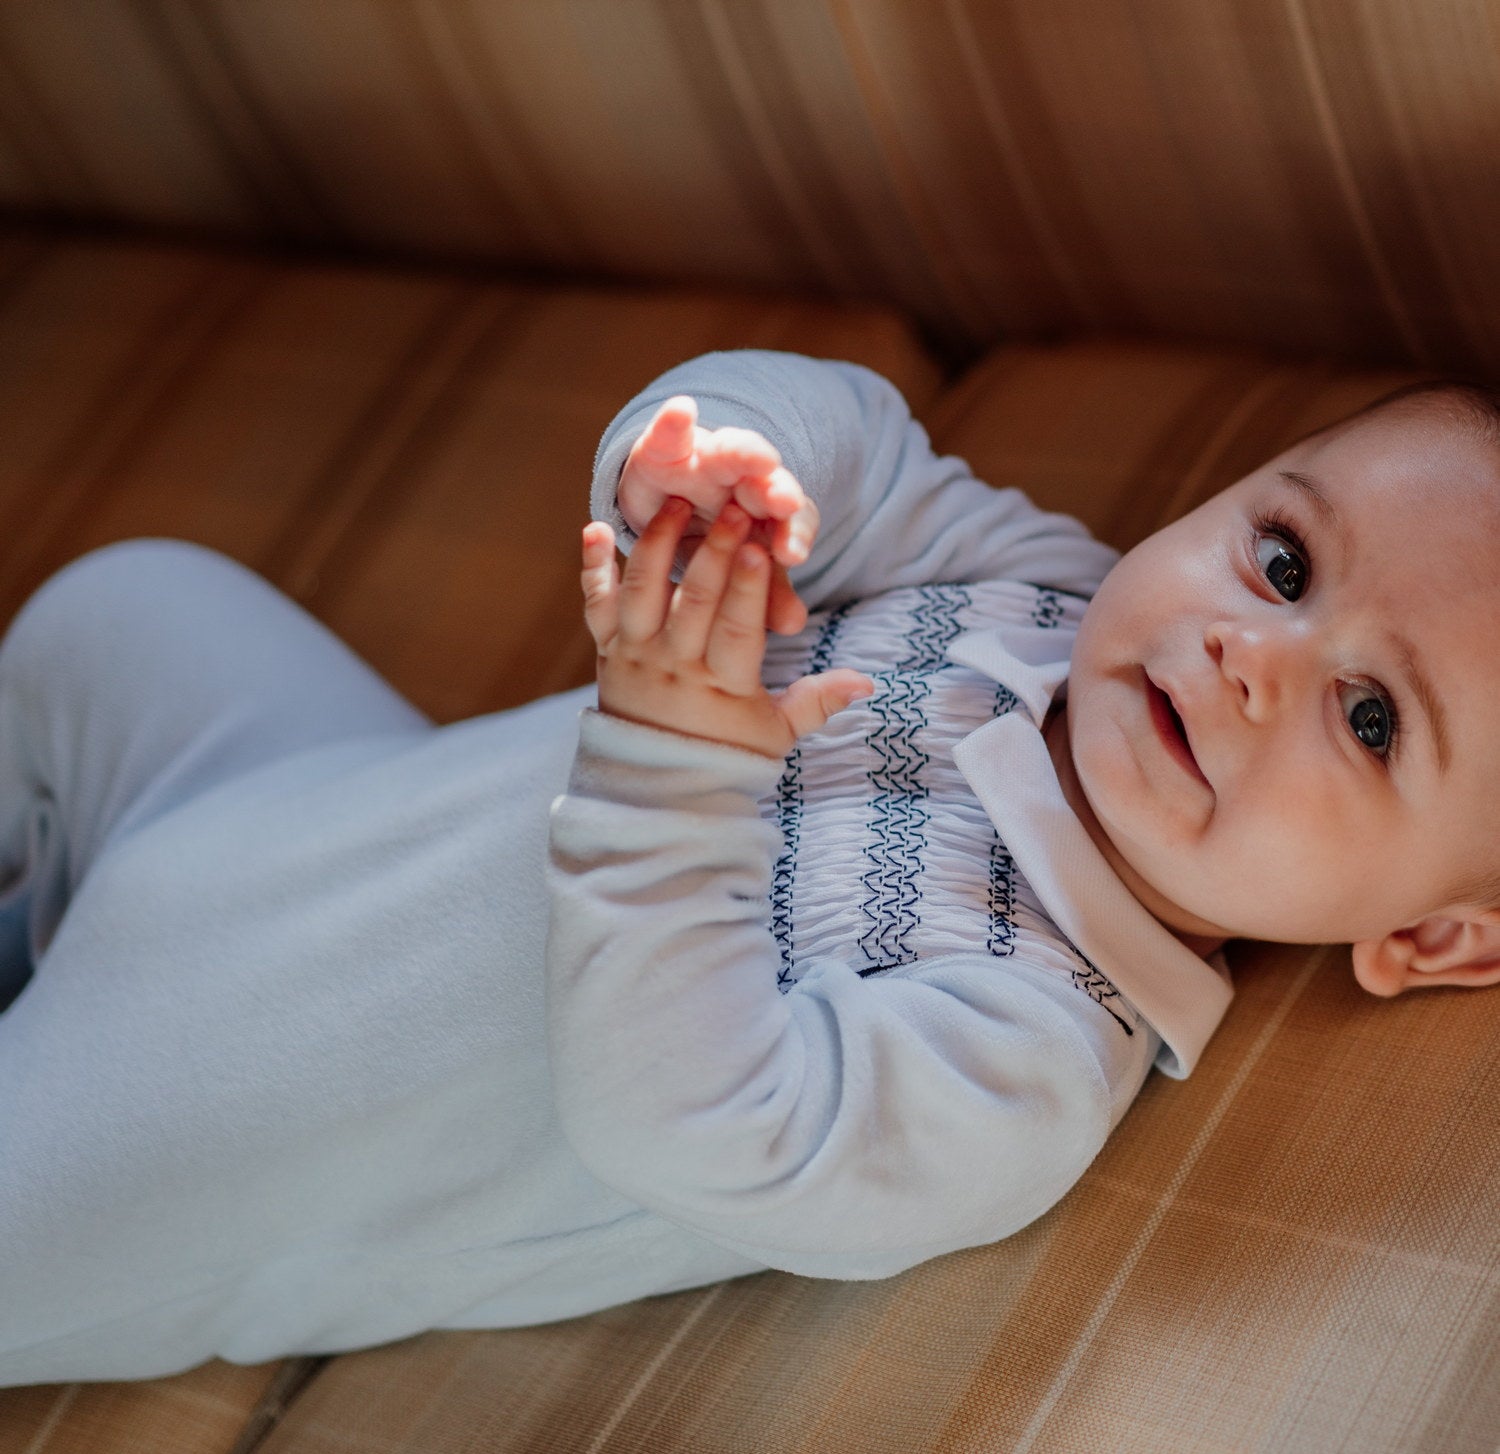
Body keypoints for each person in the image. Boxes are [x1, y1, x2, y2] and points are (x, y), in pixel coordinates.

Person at [1, 351, 1496, 1389]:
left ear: (1433, 937)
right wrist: (727, 463)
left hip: (222, 1123)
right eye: (1285, 559)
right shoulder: (1036, 587)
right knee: (129, 604)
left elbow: (704, 1128)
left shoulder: (1022, 1050)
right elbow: (869, 450)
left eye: (1369, 718)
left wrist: (677, 762)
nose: (1252, 655)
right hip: (291, 816)